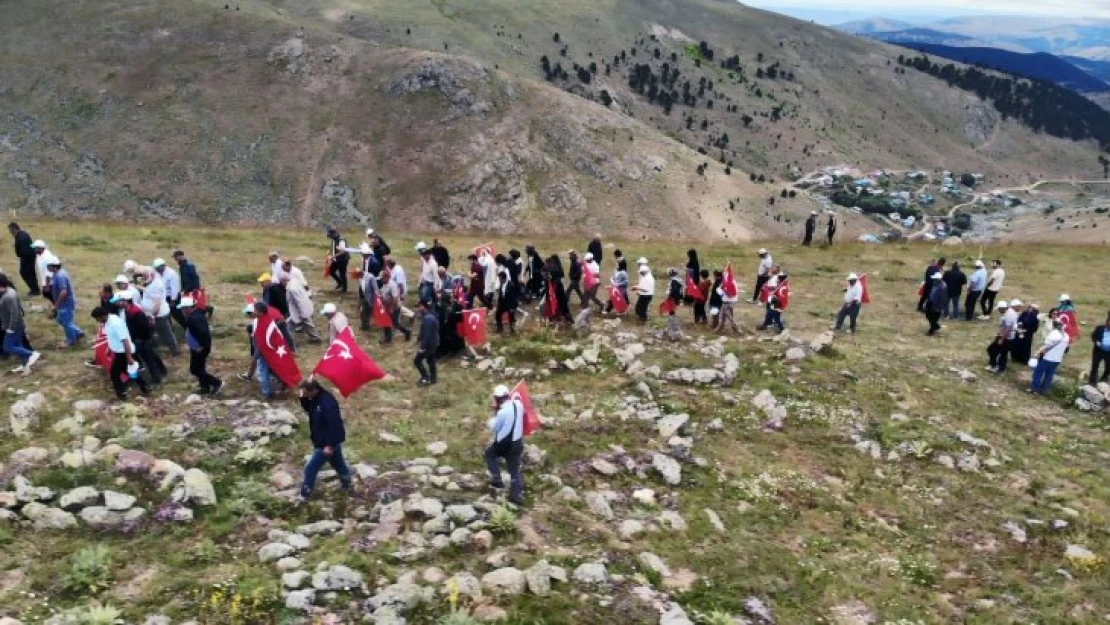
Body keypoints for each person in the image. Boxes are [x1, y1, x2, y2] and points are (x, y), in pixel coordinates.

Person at [297, 380, 352, 502]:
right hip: (323, 441)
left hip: (326, 443)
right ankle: (348, 485)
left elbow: (335, 425)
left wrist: (330, 446)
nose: (306, 396)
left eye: (307, 393)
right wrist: (302, 398)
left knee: (310, 468)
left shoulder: (328, 403)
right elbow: (310, 409)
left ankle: (304, 496)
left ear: (314, 390)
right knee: (339, 465)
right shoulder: (316, 398)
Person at [91, 305, 151, 401]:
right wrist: (110, 349)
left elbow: (125, 341)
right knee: (129, 371)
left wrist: (129, 358)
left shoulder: (115, 323)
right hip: (119, 351)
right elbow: (112, 337)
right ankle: (144, 387)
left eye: (97, 319)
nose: (97, 321)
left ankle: (122, 395)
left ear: (102, 316)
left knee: (114, 374)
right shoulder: (107, 321)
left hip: (123, 352)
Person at [485, 384, 525, 506]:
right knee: (514, 469)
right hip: (517, 442)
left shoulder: (502, 412)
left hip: (504, 443)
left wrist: (495, 412)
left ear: (497, 398)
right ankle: (516, 495)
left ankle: (497, 479)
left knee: (489, 454)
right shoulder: (519, 405)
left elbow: (495, 426)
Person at [116, 291, 165, 385]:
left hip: (143, 340)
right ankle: (161, 370)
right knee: (151, 357)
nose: (119, 303)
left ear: (126, 301)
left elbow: (144, 327)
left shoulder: (136, 312)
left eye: (121, 301)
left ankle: (157, 378)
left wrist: (143, 340)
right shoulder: (128, 311)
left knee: (149, 359)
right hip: (139, 339)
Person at [180, 296, 223, 395]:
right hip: (197, 346)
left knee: (194, 369)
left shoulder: (194, 318)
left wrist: (201, 346)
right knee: (200, 368)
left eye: (183, 308)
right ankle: (205, 387)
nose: (182, 311)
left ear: (188, 308)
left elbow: (203, 333)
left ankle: (217, 383)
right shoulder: (196, 315)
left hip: (200, 347)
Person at [0, 275, 41, 375]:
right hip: (12, 325)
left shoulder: (9, 296)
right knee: (18, 345)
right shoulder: (7, 292)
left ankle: (32, 354)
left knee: (8, 346)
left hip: (14, 327)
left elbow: (15, 314)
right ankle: (25, 366)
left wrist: (10, 328)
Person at [138, 267, 179, 357]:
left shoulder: (156, 285)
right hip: (151, 314)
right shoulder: (151, 282)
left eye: (145, 275)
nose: (144, 278)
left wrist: (152, 316)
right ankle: (154, 347)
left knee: (166, 333)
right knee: (151, 332)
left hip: (159, 314)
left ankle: (175, 350)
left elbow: (157, 304)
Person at [282, 258, 322, 343]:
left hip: (301, 308)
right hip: (300, 308)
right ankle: (314, 337)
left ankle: (286, 339)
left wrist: (303, 312)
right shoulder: (291, 282)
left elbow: (300, 299)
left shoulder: (293, 286)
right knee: (305, 323)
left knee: (304, 323)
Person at [48, 258, 85, 346]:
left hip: (65, 304)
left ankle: (71, 341)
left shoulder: (60, 276)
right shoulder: (57, 273)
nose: (47, 267)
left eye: (48, 266)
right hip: (63, 304)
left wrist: (56, 306)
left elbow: (63, 292)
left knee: (66, 323)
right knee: (61, 319)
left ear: (54, 266)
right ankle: (78, 332)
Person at [1030, 318, 1069, 394]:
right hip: (1058, 359)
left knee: (1038, 371)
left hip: (1048, 357)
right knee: (1049, 374)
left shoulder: (1054, 334)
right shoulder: (1066, 336)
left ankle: (1035, 389)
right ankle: (1044, 389)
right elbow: (1066, 348)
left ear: (1054, 324)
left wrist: (1037, 353)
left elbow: (1046, 346)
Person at [380, 267, 411, 343]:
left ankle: (407, 331)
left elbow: (395, 298)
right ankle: (388, 339)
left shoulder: (392, 285)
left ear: (386, 277)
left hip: (394, 307)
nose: (381, 280)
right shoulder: (385, 283)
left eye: (382, 278)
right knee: (386, 322)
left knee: (396, 324)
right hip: (387, 306)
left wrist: (391, 308)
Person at [9, 223, 39, 296]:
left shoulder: (22, 237)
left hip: (27, 257)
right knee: (29, 273)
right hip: (28, 257)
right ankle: (35, 289)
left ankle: (35, 290)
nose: (10, 232)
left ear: (15, 229)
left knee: (26, 273)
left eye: (11, 230)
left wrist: (21, 254)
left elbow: (25, 250)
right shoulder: (21, 235)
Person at [414, 299, 439, 386]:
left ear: (424, 307)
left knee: (417, 361)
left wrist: (422, 347)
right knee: (430, 360)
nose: (418, 309)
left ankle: (426, 378)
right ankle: (433, 379)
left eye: (419, 307)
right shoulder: (431, 315)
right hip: (434, 342)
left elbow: (427, 335)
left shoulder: (428, 318)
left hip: (429, 345)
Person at [986, 300, 1016, 373]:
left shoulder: (1009, 315)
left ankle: (998, 367)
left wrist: (1001, 339)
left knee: (996, 351)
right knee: (996, 350)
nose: (998, 311)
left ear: (1003, 308)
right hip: (1003, 335)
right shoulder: (1008, 312)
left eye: (999, 309)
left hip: (1006, 337)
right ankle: (995, 365)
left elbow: (1008, 328)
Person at [495, 264, 519, 333]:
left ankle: (513, 329)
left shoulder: (511, 285)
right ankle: (500, 328)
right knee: (498, 314)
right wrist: (498, 303)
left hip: (510, 304)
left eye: (500, 279)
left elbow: (514, 297)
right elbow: (500, 294)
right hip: (503, 303)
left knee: (511, 317)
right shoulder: (501, 284)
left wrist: (512, 307)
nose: (499, 280)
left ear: (504, 278)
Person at [1089, 313, 1110, 386]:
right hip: (1098, 351)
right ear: (1107, 322)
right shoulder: (1100, 328)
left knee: (1108, 367)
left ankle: (1103, 379)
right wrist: (1096, 341)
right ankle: (1092, 382)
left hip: (1108, 353)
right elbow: (1093, 336)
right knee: (1095, 366)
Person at [326, 228, 349, 293]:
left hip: (343, 260)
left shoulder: (341, 240)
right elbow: (333, 247)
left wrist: (333, 256)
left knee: (342, 274)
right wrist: (329, 251)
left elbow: (343, 251)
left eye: (331, 235)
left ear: (335, 234)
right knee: (331, 271)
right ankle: (339, 282)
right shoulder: (334, 240)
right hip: (336, 259)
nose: (330, 237)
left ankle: (344, 289)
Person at [925, 272, 947, 336]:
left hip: (936, 305)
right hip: (931, 302)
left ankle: (931, 331)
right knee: (928, 315)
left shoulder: (942, 287)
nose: (933, 280)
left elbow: (943, 298)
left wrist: (938, 307)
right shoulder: (936, 284)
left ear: (938, 279)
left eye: (935, 279)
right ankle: (936, 326)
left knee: (933, 318)